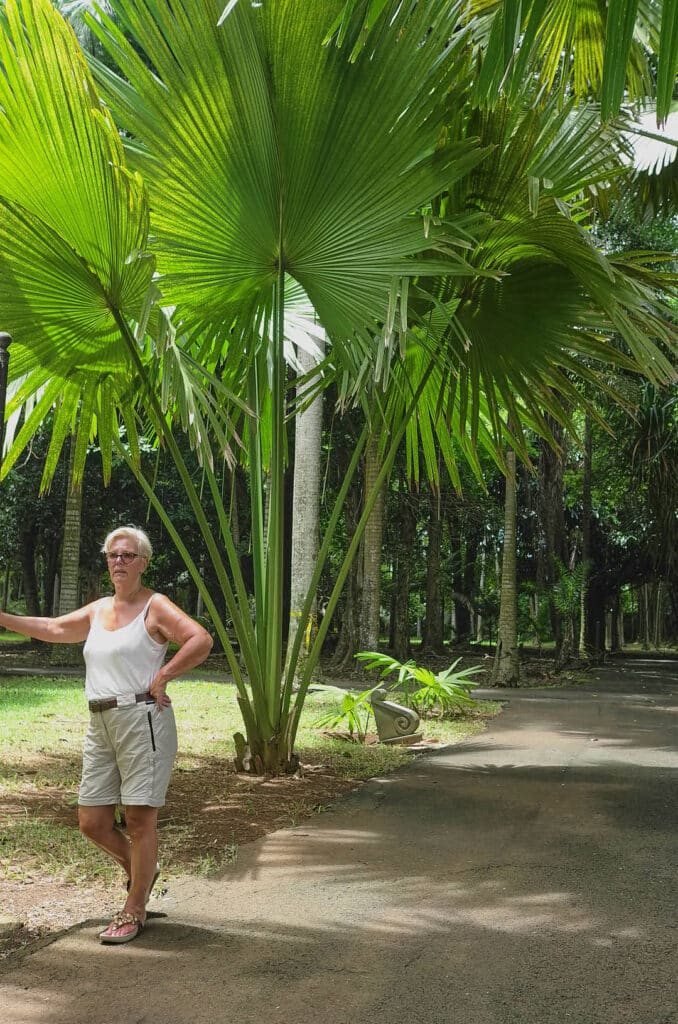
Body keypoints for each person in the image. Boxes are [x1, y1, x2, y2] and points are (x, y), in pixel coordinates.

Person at [0, 526, 213, 944]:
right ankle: (142, 871)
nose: (119, 561)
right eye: (113, 555)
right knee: (92, 821)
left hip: (141, 719)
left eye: (128, 555)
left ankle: (134, 909)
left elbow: (199, 639)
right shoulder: (99, 610)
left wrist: (164, 674)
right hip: (99, 722)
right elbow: (54, 628)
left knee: (138, 818)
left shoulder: (156, 606)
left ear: (143, 562)